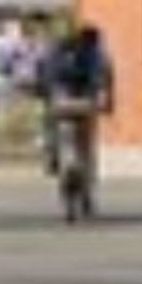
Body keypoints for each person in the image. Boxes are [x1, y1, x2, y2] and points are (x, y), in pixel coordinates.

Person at [40, 21, 116, 199]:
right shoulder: (94, 54)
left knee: (53, 130)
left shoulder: (54, 52)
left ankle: (52, 158)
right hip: (85, 102)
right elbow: (104, 78)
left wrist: (45, 96)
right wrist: (106, 102)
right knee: (86, 143)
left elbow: (43, 78)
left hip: (61, 102)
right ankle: (87, 177)